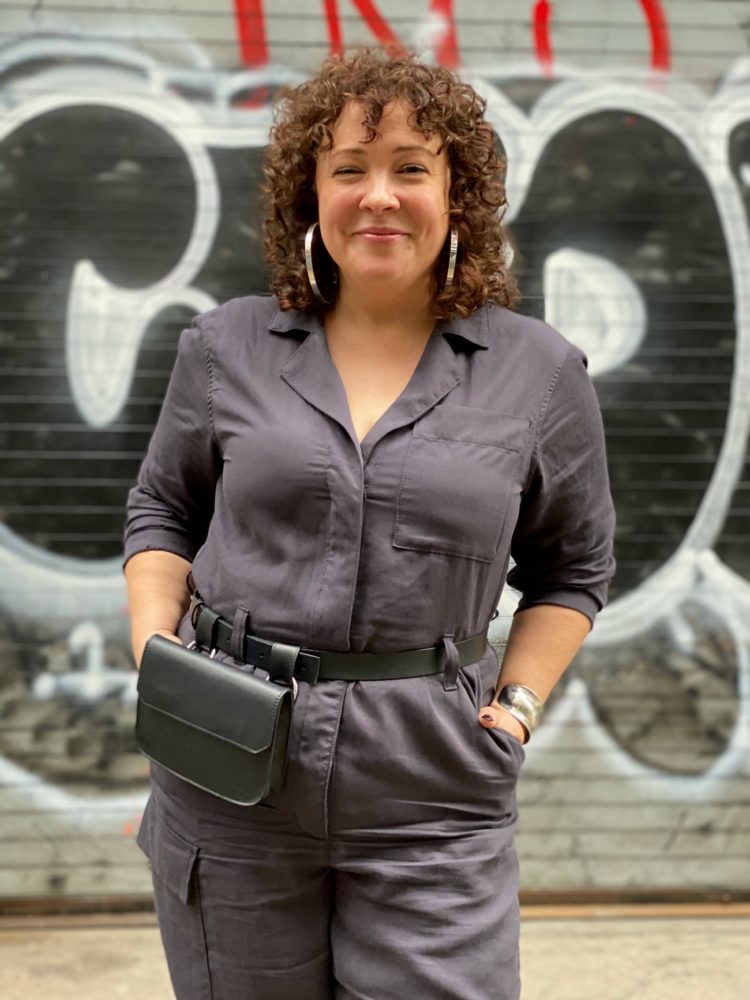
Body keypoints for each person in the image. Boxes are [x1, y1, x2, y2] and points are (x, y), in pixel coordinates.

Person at [124, 48, 615, 1000]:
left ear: (457, 193)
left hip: (432, 786)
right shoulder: (225, 345)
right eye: (349, 168)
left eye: (411, 168)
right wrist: (153, 649)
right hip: (228, 763)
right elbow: (163, 509)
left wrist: (514, 710)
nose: (378, 196)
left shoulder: (540, 374)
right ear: (311, 193)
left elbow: (574, 569)